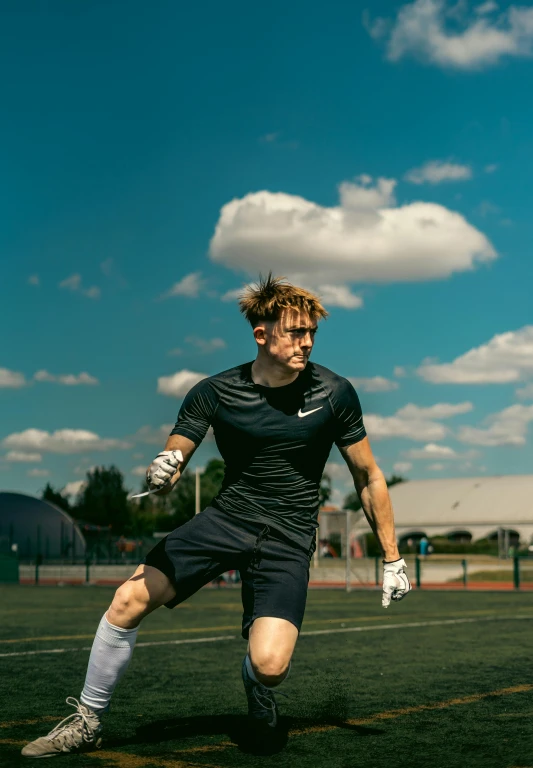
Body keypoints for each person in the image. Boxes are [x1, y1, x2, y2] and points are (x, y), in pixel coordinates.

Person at [22, 274, 411, 758]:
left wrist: (392, 558)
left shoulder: (335, 392)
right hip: (226, 519)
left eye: (312, 331)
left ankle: (256, 686)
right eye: (295, 331)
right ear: (261, 334)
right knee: (126, 600)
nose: (307, 341)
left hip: (289, 535)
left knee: (270, 665)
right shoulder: (215, 391)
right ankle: (87, 721)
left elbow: (369, 476)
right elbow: (180, 444)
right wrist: (168, 463)